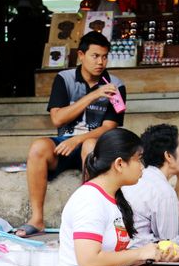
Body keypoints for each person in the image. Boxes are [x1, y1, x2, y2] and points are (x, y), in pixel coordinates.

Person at [16, 31, 127, 237]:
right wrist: (93, 95)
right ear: (81, 55)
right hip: (64, 144)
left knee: (90, 145)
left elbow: (110, 127)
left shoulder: (116, 84)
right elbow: (57, 119)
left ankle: (87, 219)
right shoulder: (64, 79)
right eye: (95, 56)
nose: (100, 62)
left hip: (96, 147)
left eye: (104, 56)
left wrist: (78, 139)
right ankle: (37, 219)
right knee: (38, 147)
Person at [50, 128, 179, 266]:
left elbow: (115, 258)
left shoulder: (116, 199)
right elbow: (89, 262)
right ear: (119, 164)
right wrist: (140, 253)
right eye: (138, 160)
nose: (142, 167)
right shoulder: (90, 200)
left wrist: (153, 253)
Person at [122, 124, 179, 256]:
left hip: (131, 251)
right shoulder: (163, 191)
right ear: (168, 156)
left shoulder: (144, 177)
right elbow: (170, 245)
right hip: (145, 257)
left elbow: (171, 213)